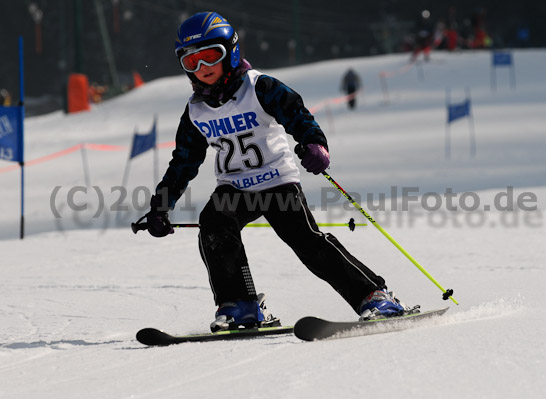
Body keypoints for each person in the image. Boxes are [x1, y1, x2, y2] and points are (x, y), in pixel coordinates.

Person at [143, 11, 408, 332]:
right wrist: (161, 205)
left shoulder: (260, 88)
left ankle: (374, 295)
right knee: (214, 224)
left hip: (276, 182)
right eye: (191, 62)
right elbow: (183, 161)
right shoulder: (196, 111)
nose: (202, 68)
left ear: (232, 52)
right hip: (235, 188)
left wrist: (314, 144)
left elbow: (297, 114)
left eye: (211, 56)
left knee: (306, 241)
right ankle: (240, 305)